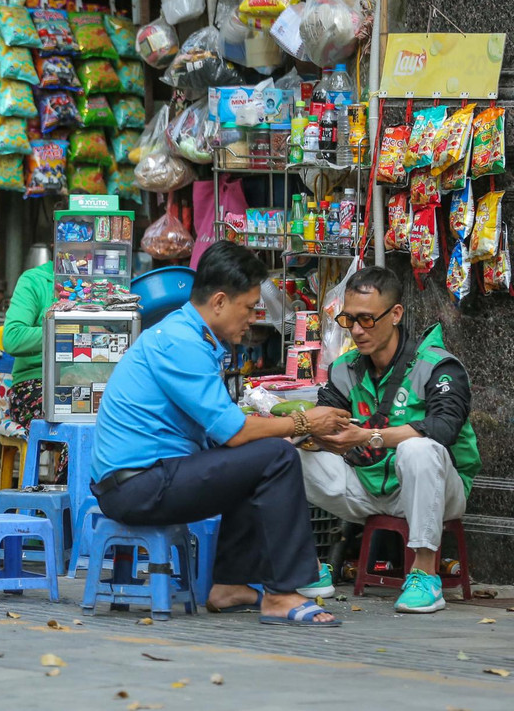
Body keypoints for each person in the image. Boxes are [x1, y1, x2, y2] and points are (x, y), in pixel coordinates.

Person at [90, 242, 350, 627]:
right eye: (248, 307)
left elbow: (227, 429)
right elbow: (234, 432)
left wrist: (283, 430)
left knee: (264, 453)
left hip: (153, 476)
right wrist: (305, 422)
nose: (251, 318)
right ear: (219, 302)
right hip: (136, 485)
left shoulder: (196, 338)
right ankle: (281, 594)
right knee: (276, 458)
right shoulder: (180, 341)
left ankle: (228, 586)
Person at [300, 266, 480, 614]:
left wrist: (369, 436)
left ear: (395, 314)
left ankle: (425, 574)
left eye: (366, 319)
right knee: (284, 455)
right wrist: (312, 434)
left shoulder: (439, 366)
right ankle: (305, 564)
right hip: (367, 488)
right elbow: (327, 420)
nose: (355, 330)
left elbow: (443, 429)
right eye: (348, 319)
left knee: (419, 448)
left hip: (438, 490)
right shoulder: (344, 368)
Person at [2, 260, 54, 429]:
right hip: (38, 381)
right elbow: (13, 338)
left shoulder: (107, 285)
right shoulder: (35, 280)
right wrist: (69, 332)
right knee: (68, 423)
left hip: (91, 380)